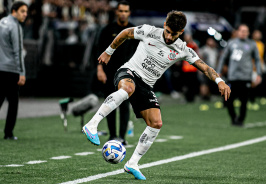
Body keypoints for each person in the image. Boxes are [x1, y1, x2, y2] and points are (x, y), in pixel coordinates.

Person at [83, 10, 231, 180]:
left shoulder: (182, 49)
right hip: (128, 72)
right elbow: (126, 33)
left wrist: (219, 81)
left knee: (156, 123)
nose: (168, 36)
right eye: (167, 31)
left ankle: (132, 163)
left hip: (146, 85)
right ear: (164, 26)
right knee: (127, 89)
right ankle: (92, 125)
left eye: (173, 34)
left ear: (181, 33)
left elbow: (204, 67)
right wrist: (109, 51)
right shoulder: (149, 31)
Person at [96, 0, 138, 145]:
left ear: (129, 13)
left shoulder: (134, 31)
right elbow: (99, 50)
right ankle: (112, 135)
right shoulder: (107, 29)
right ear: (116, 12)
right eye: (121, 11)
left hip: (127, 74)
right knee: (110, 104)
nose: (123, 14)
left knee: (125, 106)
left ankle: (122, 137)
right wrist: (100, 69)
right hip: (110, 73)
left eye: (126, 11)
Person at [217, 24, 261, 126]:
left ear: (248, 33)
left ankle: (241, 120)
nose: (243, 33)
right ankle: (233, 117)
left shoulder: (251, 44)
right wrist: (218, 71)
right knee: (228, 99)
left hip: (245, 77)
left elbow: (257, 60)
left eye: (245, 31)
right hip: (232, 77)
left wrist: (259, 73)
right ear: (237, 32)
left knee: (244, 100)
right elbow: (223, 57)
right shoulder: (231, 43)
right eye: (241, 30)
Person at [0, 1, 28, 140]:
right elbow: (18, 51)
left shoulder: (1, 22)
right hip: (11, 70)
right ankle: (8, 133)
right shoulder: (15, 26)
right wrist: (22, 73)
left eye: (26, 12)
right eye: (22, 11)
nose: (25, 15)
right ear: (14, 11)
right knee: (13, 103)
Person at [181, 32, 200, 102]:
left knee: (193, 85)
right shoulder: (183, 45)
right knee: (186, 85)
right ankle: (187, 98)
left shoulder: (193, 44)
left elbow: (196, 50)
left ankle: (192, 98)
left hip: (193, 68)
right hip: (185, 69)